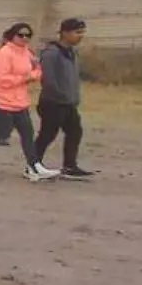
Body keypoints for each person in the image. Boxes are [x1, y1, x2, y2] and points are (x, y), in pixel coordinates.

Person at [0, 23, 58, 183]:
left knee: (27, 134)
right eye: (20, 35)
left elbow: (37, 70)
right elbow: (0, 79)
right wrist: (25, 78)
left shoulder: (28, 53)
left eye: (28, 35)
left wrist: (33, 75)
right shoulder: (4, 53)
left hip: (19, 101)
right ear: (12, 35)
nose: (24, 38)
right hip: (0, 100)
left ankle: (34, 166)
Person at [34, 17, 94, 180]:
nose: (80, 36)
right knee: (48, 134)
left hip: (68, 103)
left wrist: (73, 96)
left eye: (82, 32)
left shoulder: (72, 52)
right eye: (77, 32)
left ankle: (69, 166)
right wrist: (61, 95)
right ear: (65, 33)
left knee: (75, 131)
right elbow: (49, 80)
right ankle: (33, 164)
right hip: (52, 102)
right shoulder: (52, 53)